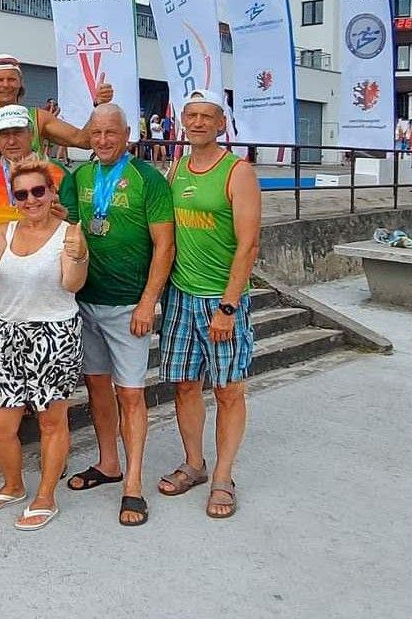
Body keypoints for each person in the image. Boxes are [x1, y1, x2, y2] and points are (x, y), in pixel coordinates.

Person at [61, 104, 175, 527]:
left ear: (127, 133)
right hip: (87, 302)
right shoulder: (81, 177)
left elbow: (164, 246)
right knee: (97, 388)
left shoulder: (148, 179)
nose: (103, 140)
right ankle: (109, 464)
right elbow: (69, 229)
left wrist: (149, 302)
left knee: (131, 394)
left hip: (129, 307)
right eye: (96, 133)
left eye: (112, 133)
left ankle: (134, 484)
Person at [157, 88, 261, 519]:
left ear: (222, 123)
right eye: (191, 115)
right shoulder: (176, 167)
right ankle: (194, 464)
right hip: (180, 296)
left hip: (221, 300)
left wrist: (229, 306)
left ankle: (223, 475)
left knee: (228, 389)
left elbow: (249, 243)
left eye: (206, 116)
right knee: (184, 385)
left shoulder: (238, 172)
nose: (197, 122)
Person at [0, 161, 88, 530]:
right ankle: (14, 484)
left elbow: (72, 284)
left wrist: (80, 254)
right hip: (5, 335)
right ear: (13, 198)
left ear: (52, 192)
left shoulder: (68, 233)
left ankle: (45, 496)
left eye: (39, 191)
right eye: (22, 193)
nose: (31, 199)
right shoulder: (3, 230)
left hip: (54, 335)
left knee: (52, 423)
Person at [0, 53, 109, 187]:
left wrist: (99, 106)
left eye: (11, 79)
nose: (5, 85)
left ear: (20, 82)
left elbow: (84, 140)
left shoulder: (38, 117)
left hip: (32, 205)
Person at [0, 104, 68, 208]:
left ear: (32, 134)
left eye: (18, 133)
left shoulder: (57, 171)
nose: (11, 141)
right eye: (4, 134)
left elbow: (72, 219)